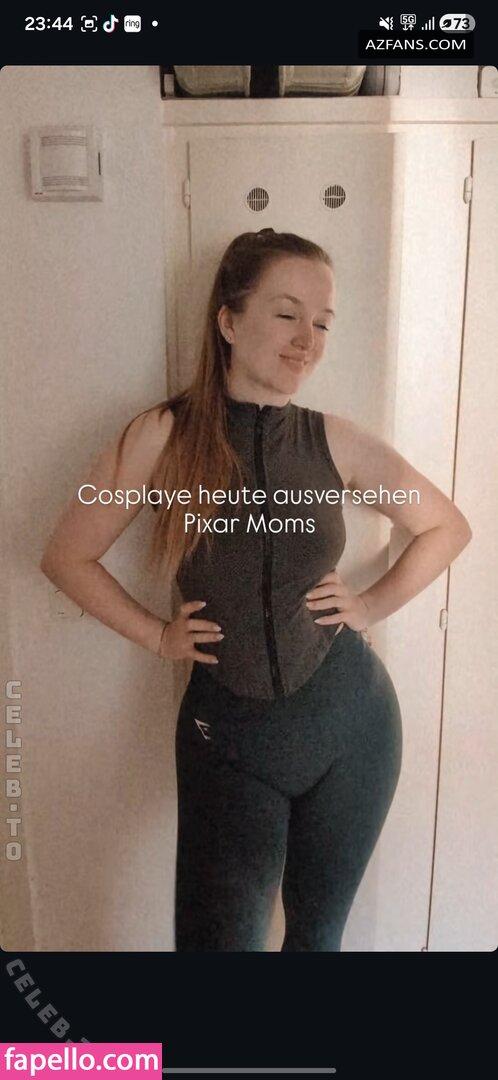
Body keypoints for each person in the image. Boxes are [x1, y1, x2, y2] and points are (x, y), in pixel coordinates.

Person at [40, 228, 472, 952]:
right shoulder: (162, 436)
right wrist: (157, 636)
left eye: (323, 322)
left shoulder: (335, 440)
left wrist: (369, 604)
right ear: (229, 321)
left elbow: (446, 527)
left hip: (352, 729)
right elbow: (67, 556)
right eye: (287, 313)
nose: (308, 340)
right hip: (228, 738)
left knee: (317, 944)